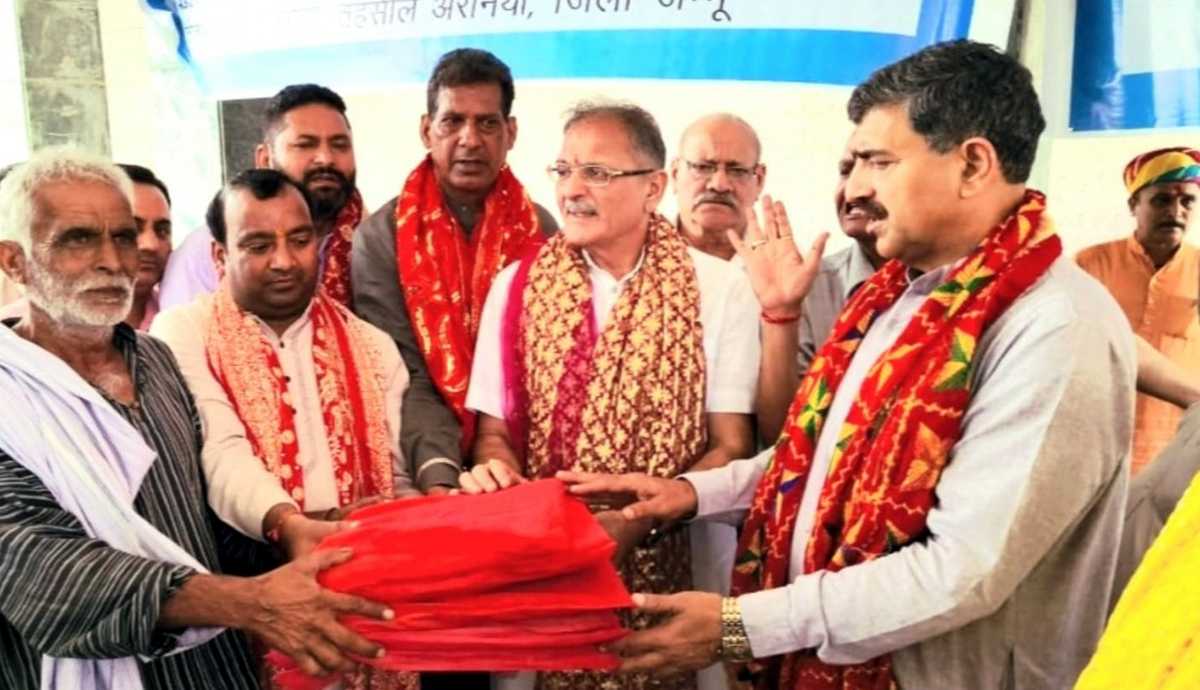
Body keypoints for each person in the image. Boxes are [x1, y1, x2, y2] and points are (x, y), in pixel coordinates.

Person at [559, 40, 1136, 690]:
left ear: (973, 164)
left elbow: (962, 570)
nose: (855, 188)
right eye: (853, 162)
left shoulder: (1051, 325)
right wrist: (691, 495)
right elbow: (821, 463)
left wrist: (739, 624)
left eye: (878, 162)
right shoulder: (897, 299)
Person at [0, 148, 394, 690]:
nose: (114, 262)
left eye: (123, 237)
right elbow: (42, 571)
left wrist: (303, 528)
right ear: (13, 261)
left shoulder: (153, 360)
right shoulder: (8, 393)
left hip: (214, 668)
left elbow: (195, 522)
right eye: (78, 239)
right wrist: (250, 602)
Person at [460, 101, 760, 690]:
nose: (571, 190)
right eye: (563, 170)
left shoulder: (721, 287)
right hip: (541, 575)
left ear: (653, 188)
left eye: (596, 173)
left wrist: (634, 521)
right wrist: (499, 477)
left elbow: (731, 444)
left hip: (675, 567)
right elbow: (493, 434)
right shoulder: (516, 287)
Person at [153, 168, 419, 690]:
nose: (284, 260)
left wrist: (391, 524)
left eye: (299, 240)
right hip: (244, 606)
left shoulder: (373, 347)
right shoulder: (182, 332)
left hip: (367, 605)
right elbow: (217, 447)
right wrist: (290, 524)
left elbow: (396, 478)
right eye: (257, 244)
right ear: (219, 256)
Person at [352, 48, 557, 498]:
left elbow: (550, 372)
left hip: (531, 463)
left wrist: (506, 463)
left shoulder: (544, 233)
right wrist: (441, 477)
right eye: (452, 121)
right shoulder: (380, 239)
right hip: (420, 463)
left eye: (487, 123)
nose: (470, 139)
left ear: (511, 132)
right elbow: (407, 375)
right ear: (427, 130)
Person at [159, 84, 365, 310]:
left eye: (340, 145)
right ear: (265, 159)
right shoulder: (206, 250)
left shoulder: (376, 240)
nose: (326, 158)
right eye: (305, 145)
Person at [1076, 146, 1200, 473]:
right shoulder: (1090, 264)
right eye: (1161, 200)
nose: (1176, 210)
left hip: (1176, 447)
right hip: (1095, 439)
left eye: (1188, 201)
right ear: (1134, 205)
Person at [755, 151, 885, 443]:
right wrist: (783, 311)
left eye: (879, 166)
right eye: (846, 171)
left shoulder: (969, 283)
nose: (853, 189)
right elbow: (782, 438)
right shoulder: (809, 285)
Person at [0, 163, 172, 329]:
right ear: (13, 262)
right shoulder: (9, 338)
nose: (151, 244)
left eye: (163, 230)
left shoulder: (184, 319)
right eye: (80, 240)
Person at [671, 113, 765, 261]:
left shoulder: (788, 270)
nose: (719, 185)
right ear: (675, 175)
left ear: (759, 181)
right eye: (702, 167)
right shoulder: (631, 257)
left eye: (737, 171)